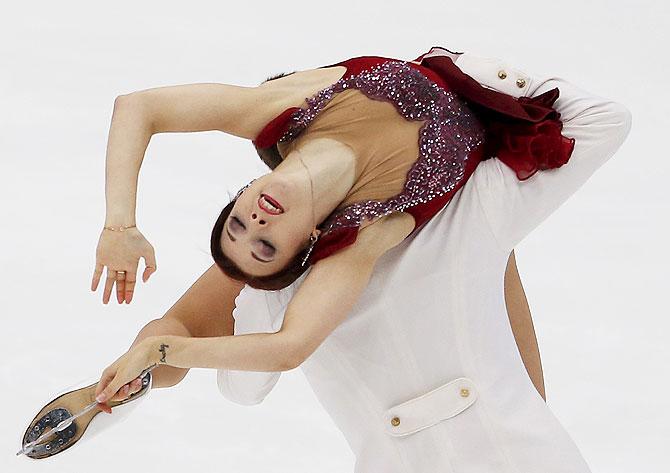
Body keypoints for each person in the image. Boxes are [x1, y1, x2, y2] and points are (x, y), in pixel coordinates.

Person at [90, 46, 631, 471]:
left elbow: (138, 106)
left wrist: (120, 225)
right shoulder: (365, 236)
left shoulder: (282, 108)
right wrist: (151, 361)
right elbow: (256, 343)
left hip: (518, 454)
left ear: (243, 189)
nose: (255, 227)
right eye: (264, 247)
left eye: (236, 222)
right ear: (311, 244)